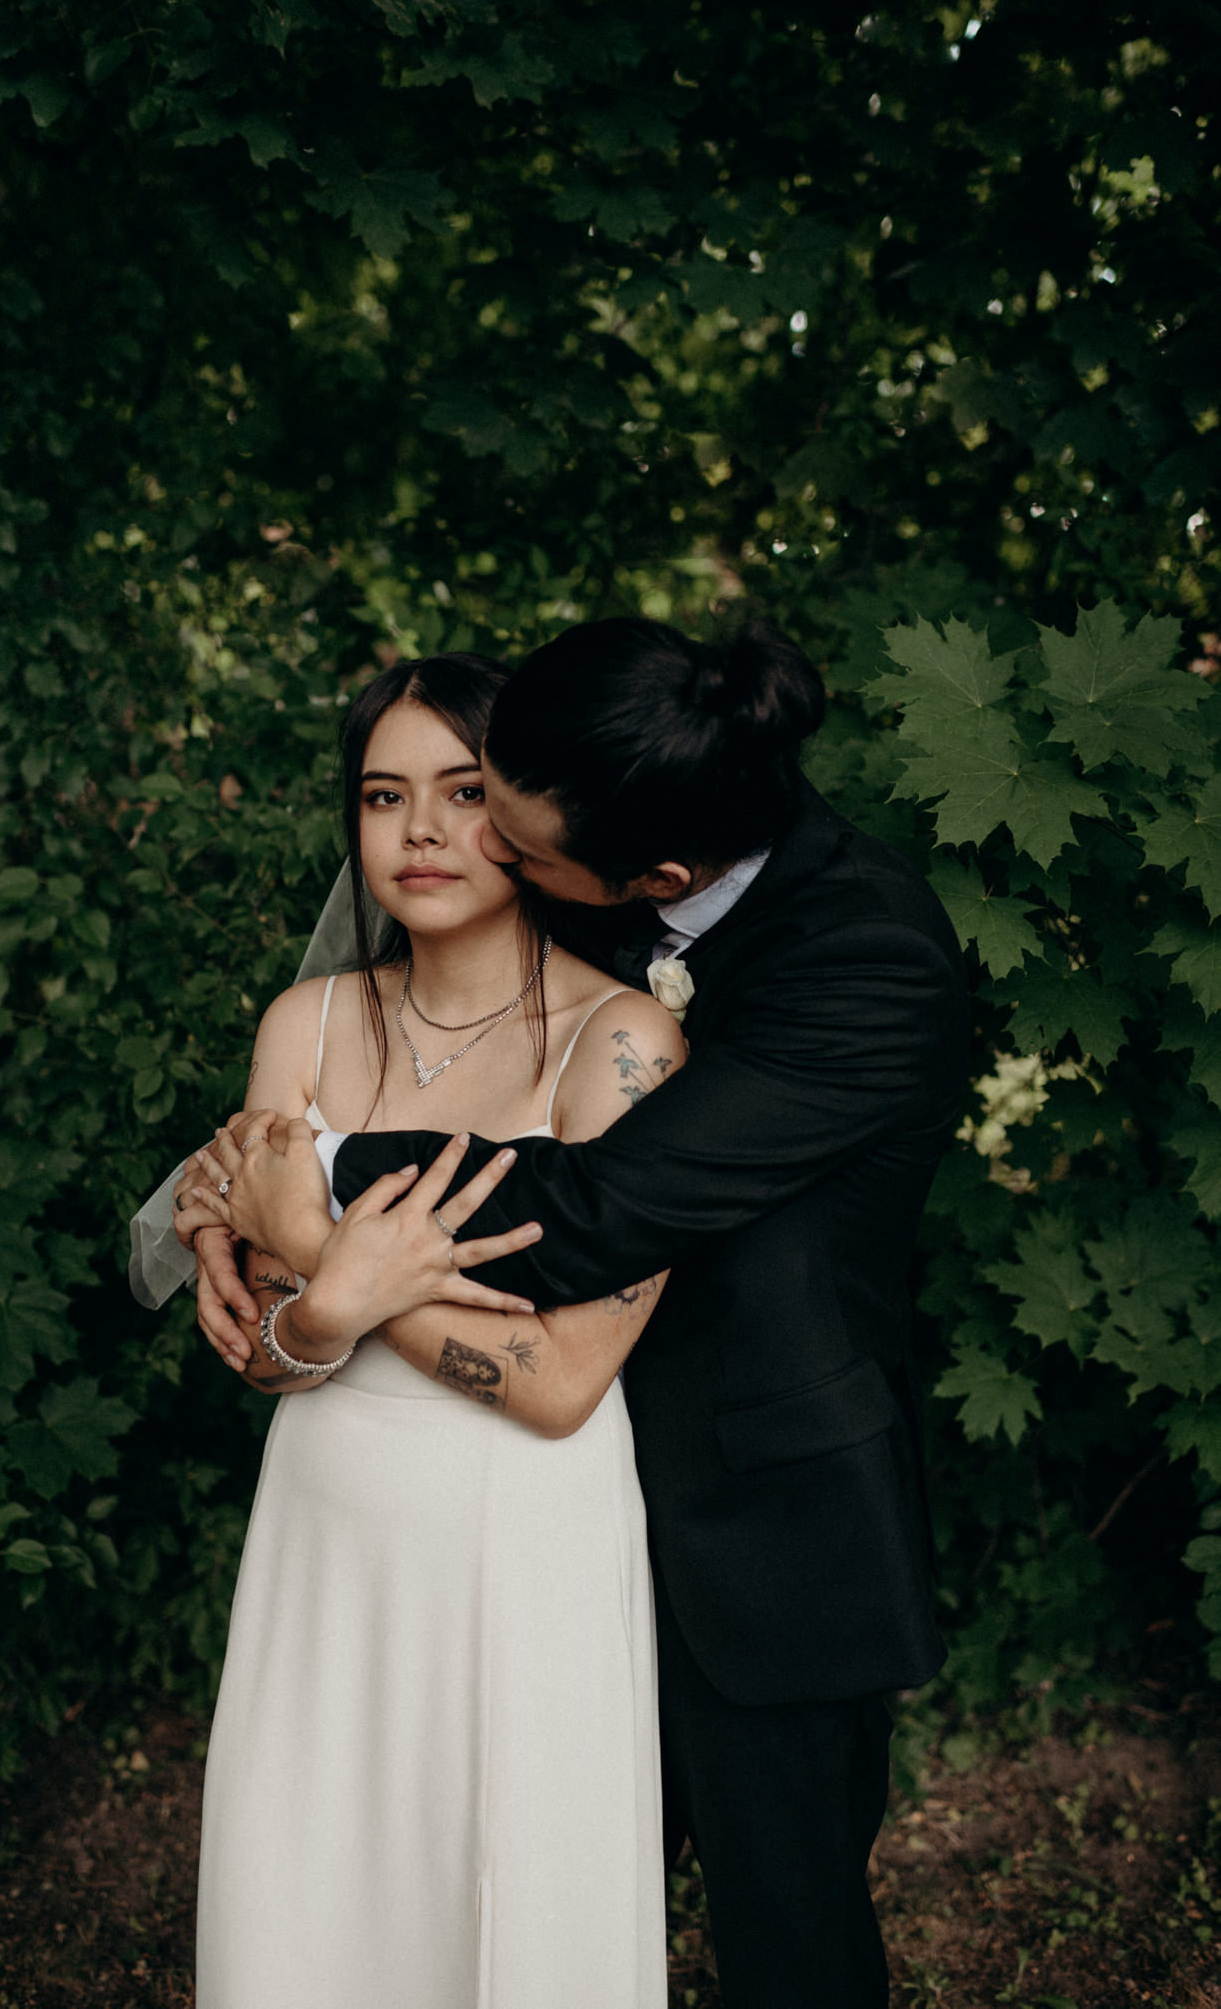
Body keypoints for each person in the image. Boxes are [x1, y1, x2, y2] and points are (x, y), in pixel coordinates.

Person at [179, 614, 971, 2009]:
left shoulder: (866, 953)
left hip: (754, 1506)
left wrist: (299, 1199)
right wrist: (217, 1188)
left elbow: (598, 1209)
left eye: (503, 828)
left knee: (779, 1930)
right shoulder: (624, 800)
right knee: (449, 1876)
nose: (470, 849)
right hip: (527, 1501)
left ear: (646, 874)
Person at [183, 652, 684, 2009]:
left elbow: (566, 1379)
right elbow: (262, 1349)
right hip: (324, 1530)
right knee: (311, 1897)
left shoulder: (622, 1046)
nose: (417, 831)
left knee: (507, 1898)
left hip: (524, 1536)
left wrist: (316, 1255)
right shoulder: (306, 1023)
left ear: (526, 811)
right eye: (381, 794)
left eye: (462, 793)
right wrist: (314, 1308)